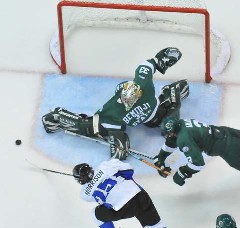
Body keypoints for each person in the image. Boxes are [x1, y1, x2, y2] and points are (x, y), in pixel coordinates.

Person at [42, 47, 189, 160]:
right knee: (96, 134)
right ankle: (56, 118)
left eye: (132, 99)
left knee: (170, 125)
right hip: (144, 120)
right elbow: (94, 126)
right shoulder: (114, 112)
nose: (128, 103)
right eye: (127, 101)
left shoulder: (143, 83)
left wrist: (162, 59)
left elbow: (150, 64)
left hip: (156, 114)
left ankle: (173, 93)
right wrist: (119, 144)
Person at [154, 117, 240, 193]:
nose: (168, 137)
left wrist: (183, 172)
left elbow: (198, 163)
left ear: (174, 131)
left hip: (227, 148)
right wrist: (161, 156)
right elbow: (172, 141)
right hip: (225, 132)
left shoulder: (183, 138)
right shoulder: (182, 123)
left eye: (169, 134)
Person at [73, 159, 166, 228]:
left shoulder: (84, 194)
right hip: (139, 195)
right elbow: (129, 171)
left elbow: (102, 204)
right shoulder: (105, 166)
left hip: (121, 208)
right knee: (156, 225)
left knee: (95, 214)